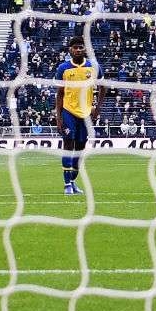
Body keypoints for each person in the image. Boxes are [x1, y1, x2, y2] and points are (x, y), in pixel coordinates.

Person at [57, 35, 103, 196]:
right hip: (68, 111)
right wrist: (59, 117)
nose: (78, 50)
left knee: (81, 149)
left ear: (85, 49)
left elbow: (103, 87)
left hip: (86, 114)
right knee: (68, 146)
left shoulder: (94, 66)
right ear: (70, 50)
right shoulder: (63, 68)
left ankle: (73, 180)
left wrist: (97, 109)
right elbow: (60, 94)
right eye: (75, 47)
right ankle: (67, 184)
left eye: (80, 47)